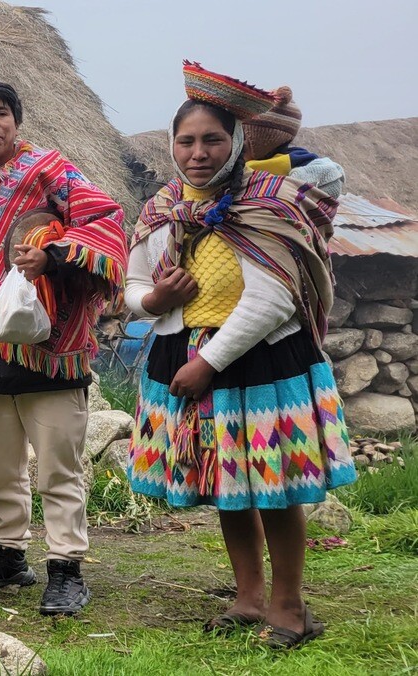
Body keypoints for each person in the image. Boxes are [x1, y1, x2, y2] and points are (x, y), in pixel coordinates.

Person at [125, 62, 355, 650]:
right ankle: (248, 596)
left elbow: (275, 298)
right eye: (186, 141)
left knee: (272, 485)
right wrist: (155, 298)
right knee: (230, 483)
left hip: (258, 360)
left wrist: (209, 362)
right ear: (171, 145)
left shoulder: (268, 202)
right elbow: (131, 286)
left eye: (212, 140)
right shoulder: (165, 208)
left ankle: (289, 607)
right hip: (186, 353)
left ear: (235, 145)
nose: (197, 152)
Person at [0, 81, 127, 616]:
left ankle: (66, 567)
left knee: (58, 466)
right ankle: (8, 554)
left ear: (16, 122)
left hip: (48, 348)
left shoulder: (51, 172)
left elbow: (105, 221)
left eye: (1, 113)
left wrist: (54, 257)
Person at [243, 86, 346, 197]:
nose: (238, 143)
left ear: (261, 140)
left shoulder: (296, 160)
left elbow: (330, 172)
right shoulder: (235, 162)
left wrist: (297, 182)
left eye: (244, 137)